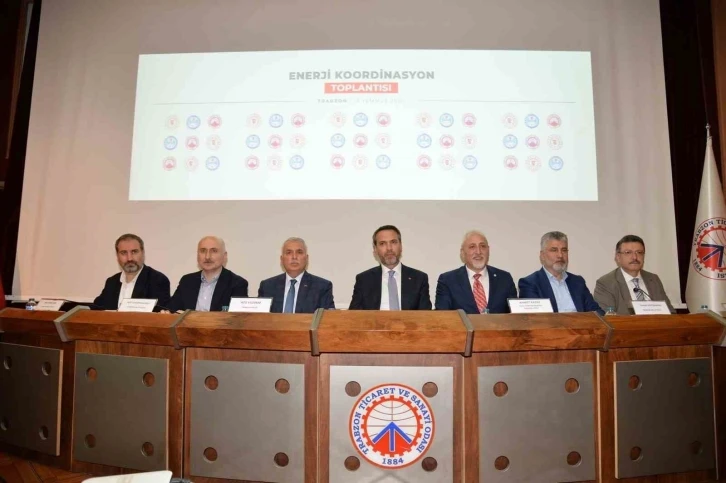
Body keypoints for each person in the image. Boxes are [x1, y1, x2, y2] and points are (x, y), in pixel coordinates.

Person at [518, 231, 603, 315]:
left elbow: (597, 313)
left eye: (564, 250)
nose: (560, 255)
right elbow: (535, 318)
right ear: (542, 255)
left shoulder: (578, 282)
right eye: (554, 250)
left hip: (582, 324)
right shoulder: (530, 283)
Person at [349, 225, 432, 310]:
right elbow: (354, 315)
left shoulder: (419, 278)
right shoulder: (364, 280)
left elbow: (426, 315)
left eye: (393, 242)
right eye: (382, 244)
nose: (389, 248)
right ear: (375, 249)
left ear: (401, 246)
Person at [435, 230, 517, 314]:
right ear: (463, 252)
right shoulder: (447, 281)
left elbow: (516, 317)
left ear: (488, 250)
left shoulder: (505, 279)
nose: (478, 252)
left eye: (483, 246)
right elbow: (442, 317)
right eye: (472, 247)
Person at [594, 235, 675, 314]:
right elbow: (606, 318)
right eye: (628, 252)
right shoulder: (606, 283)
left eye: (639, 252)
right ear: (618, 257)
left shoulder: (653, 279)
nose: (635, 257)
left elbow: (670, 312)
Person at [168, 236, 248, 312]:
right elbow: (171, 311)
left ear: (224, 256)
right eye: (203, 251)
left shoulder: (237, 284)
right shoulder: (187, 281)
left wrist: (191, 316)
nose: (207, 257)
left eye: (214, 251)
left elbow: (237, 318)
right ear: (197, 255)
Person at [93, 234, 170, 310]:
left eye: (134, 252)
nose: (129, 258)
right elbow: (97, 308)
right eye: (123, 253)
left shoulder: (157, 280)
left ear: (143, 253)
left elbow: (159, 313)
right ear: (117, 256)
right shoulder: (112, 282)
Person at [258, 237, 335, 313]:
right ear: (282, 259)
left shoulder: (322, 287)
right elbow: (258, 318)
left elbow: (329, 319)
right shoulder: (267, 286)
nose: (294, 257)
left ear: (306, 258)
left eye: (299, 252)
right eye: (289, 252)